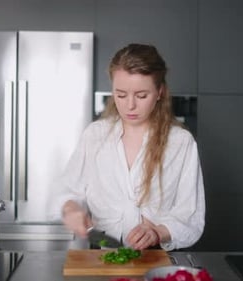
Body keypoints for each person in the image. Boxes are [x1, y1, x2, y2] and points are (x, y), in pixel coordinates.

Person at [58, 43, 205, 251]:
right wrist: (71, 208)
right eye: (121, 94)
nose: (130, 106)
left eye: (142, 95)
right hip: (102, 256)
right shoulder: (95, 135)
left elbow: (191, 217)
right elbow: (69, 191)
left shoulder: (181, 142)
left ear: (160, 92)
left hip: (155, 259)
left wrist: (157, 232)